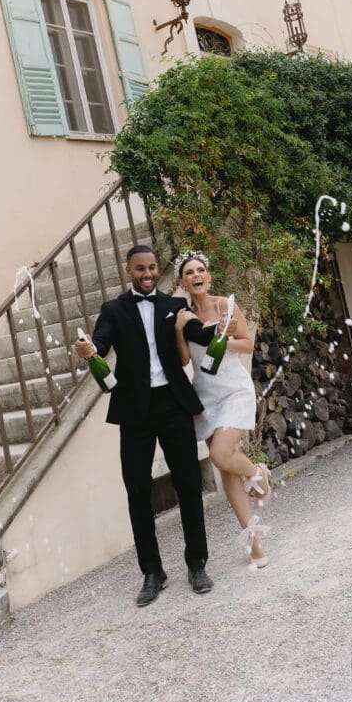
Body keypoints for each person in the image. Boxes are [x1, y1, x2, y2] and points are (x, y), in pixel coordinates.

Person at [74, 244, 221, 607]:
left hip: (173, 403)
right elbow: (101, 344)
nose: (148, 274)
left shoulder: (174, 306)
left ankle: (197, 563)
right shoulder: (113, 310)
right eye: (140, 269)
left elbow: (201, 335)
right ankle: (152, 572)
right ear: (128, 271)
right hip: (135, 411)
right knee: (137, 492)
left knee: (189, 484)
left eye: (153, 268)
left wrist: (220, 326)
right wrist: (88, 351)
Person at [174, 251, 271, 569]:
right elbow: (185, 360)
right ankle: (254, 542)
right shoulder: (184, 314)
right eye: (189, 272)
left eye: (201, 269)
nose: (196, 275)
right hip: (205, 397)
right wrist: (178, 329)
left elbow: (248, 343)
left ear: (209, 276)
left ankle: (258, 473)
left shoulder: (225, 306)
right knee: (226, 470)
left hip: (233, 391)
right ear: (182, 281)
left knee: (220, 454)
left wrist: (222, 338)